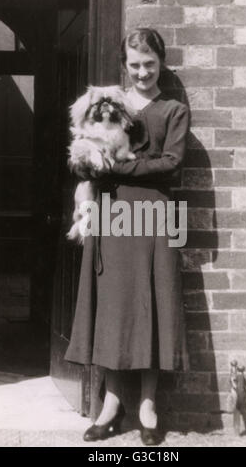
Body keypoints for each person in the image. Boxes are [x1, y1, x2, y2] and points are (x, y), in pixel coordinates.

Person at [65, 28, 189, 445]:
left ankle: (148, 405)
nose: (142, 72)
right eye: (134, 65)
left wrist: (114, 168)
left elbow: (171, 164)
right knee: (115, 307)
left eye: (150, 64)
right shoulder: (108, 104)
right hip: (113, 213)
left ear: (161, 64)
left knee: (153, 304)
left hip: (157, 214)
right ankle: (112, 404)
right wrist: (88, 165)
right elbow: (82, 154)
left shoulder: (173, 109)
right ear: (125, 65)